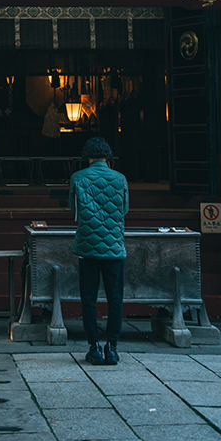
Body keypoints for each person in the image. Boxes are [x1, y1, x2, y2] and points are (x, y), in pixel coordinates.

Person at [69, 136, 129, 366]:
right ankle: (112, 348)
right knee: (115, 298)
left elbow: (74, 212)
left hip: (87, 246)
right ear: (107, 156)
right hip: (114, 246)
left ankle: (93, 347)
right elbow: (124, 209)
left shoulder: (77, 178)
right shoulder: (120, 178)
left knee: (88, 299)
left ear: (87, 156)